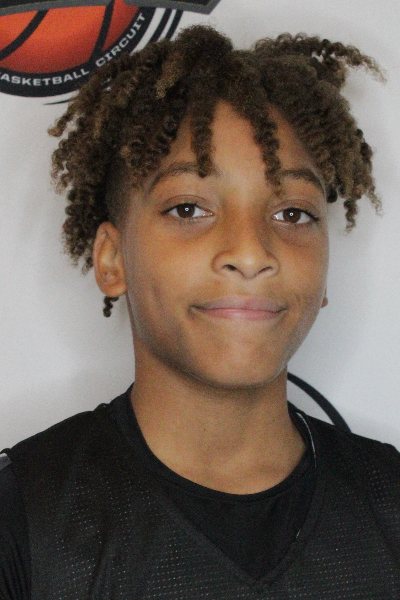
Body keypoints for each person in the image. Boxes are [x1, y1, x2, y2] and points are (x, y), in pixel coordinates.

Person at [1, 25, 399, 600]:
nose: (251, 253)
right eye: (189, 209)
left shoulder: (389, 504)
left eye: (292, 214)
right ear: (112, 259)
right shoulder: (26, 519)